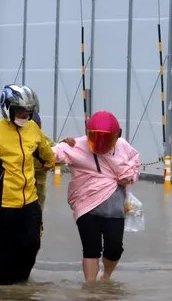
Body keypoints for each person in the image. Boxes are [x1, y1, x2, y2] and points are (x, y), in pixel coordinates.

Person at [0, 84, 55, 286]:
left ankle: (21, 285)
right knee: (2, 252)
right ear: (8, 108)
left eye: (28, 112)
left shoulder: (33, 130)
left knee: (32, 244)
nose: (25, 115)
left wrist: (51, 162)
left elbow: (46, 153)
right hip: (2, 202)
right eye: (20, 110)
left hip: (30, 201)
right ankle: (1, 296)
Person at [52, 111, 140, 283]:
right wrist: (57, 143)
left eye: (106, 139)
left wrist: (129, 176)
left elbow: (134, 163)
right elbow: (52, 153)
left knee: (114, 249)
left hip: (114, 207)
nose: (101, 143)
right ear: (87, 133)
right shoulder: (76, 145)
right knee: (91, 249)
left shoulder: (122, 146)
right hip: (86, 205)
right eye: (95, 137)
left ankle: (106, 278)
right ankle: (91, 288)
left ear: (117, 136)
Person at [31, 112, 51, 210]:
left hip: (39, 184)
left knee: (37, 213)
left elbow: (55, 154)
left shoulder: (44, 139)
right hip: (23, 182)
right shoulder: (18, 138)